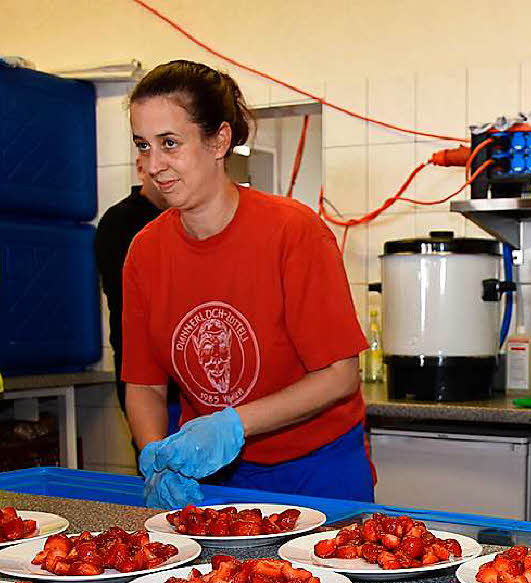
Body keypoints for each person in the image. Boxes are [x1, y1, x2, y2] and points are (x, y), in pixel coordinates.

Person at [122, 60, 373, 509]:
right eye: (144, 145)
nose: (154, 164)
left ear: (218, 140)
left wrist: (232, 424)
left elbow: (339, 376)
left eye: (170, 144)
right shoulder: (145, 252)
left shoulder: (293, 232)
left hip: (315, 469)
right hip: (213, 476)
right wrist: (155, 453)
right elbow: (144, 386)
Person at [94, 154, 170, 416]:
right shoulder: (119, 224)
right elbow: (132, 303)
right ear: (140, 168)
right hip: (147, 381)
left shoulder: (185, 218)